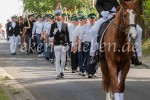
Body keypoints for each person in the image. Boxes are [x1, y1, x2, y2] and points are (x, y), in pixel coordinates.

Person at [50, 9, 70, 79]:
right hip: (57, 44)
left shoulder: (65, 24)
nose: (58, 16)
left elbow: (67, 35)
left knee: (64, 60)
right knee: (57, 59)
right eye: (57, 15)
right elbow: (50, 35)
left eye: (59, 15)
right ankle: (58, 73)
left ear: (61, 16)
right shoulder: (53, 25)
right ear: (55, 17)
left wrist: (68, 44)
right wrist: (53, 33)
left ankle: (61, 71)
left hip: (63, 44)